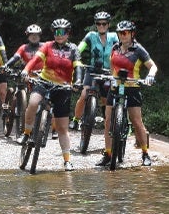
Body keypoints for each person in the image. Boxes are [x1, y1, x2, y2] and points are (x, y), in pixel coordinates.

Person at [19, 18, 82, 171]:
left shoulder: (73, 49)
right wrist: (26, 70)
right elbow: (35, 60)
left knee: (62, 128)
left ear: (68, 33)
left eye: (62, 32)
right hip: (44, 81)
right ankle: (27, 133)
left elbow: (78, 67)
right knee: (33, 103)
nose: (59, 35)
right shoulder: (47, 46)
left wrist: (78, 81)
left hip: (63, 87)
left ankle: (67, 160)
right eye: (56, 32)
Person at [96, 20, 158, 167]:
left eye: (125, 33)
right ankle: (108, 153)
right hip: (115, 86)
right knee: (108, 121)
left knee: (137, 122)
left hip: (132, 87)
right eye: (120, 33)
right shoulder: (115, 47)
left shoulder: (138, 50)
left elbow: (153, 66)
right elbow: (112, 66)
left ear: (132, 34)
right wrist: (110, 77)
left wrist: (150, 76)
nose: (122, 36)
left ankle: (145, 153)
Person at [71, 12, 118, 130]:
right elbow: (79, 49)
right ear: (96, 25)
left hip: (107, 72)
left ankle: (107, 121)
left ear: (108, 25)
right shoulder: (91, 35)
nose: (101, 26)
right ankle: (76, 120)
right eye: (98, 23)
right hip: (92, 70)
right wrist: (75, 58)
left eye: (104, 23)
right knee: (84, 94)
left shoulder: (114, 37)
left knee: (105, 99)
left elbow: (120, 50)